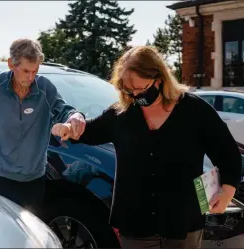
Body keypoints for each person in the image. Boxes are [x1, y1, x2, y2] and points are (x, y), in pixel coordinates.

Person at [51, 46, 242, 248]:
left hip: (182, 223)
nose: (136, 96)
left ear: (160, 78)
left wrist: (227, 190)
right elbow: (89, 132)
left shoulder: (195, 110)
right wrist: (70, 128)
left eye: (141, 89)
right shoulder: (122, 114)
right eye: (129, 90)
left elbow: (227, 153)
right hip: (135, 225)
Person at [0, 38, 85, 217]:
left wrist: (75, 117)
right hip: (2, 175)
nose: (31, 77)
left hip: (35, 176)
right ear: (11, 65)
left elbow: (64, 110)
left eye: (35, 71)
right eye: (25, 71)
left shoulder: (45, 87)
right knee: (5, 229)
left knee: (32, 231)